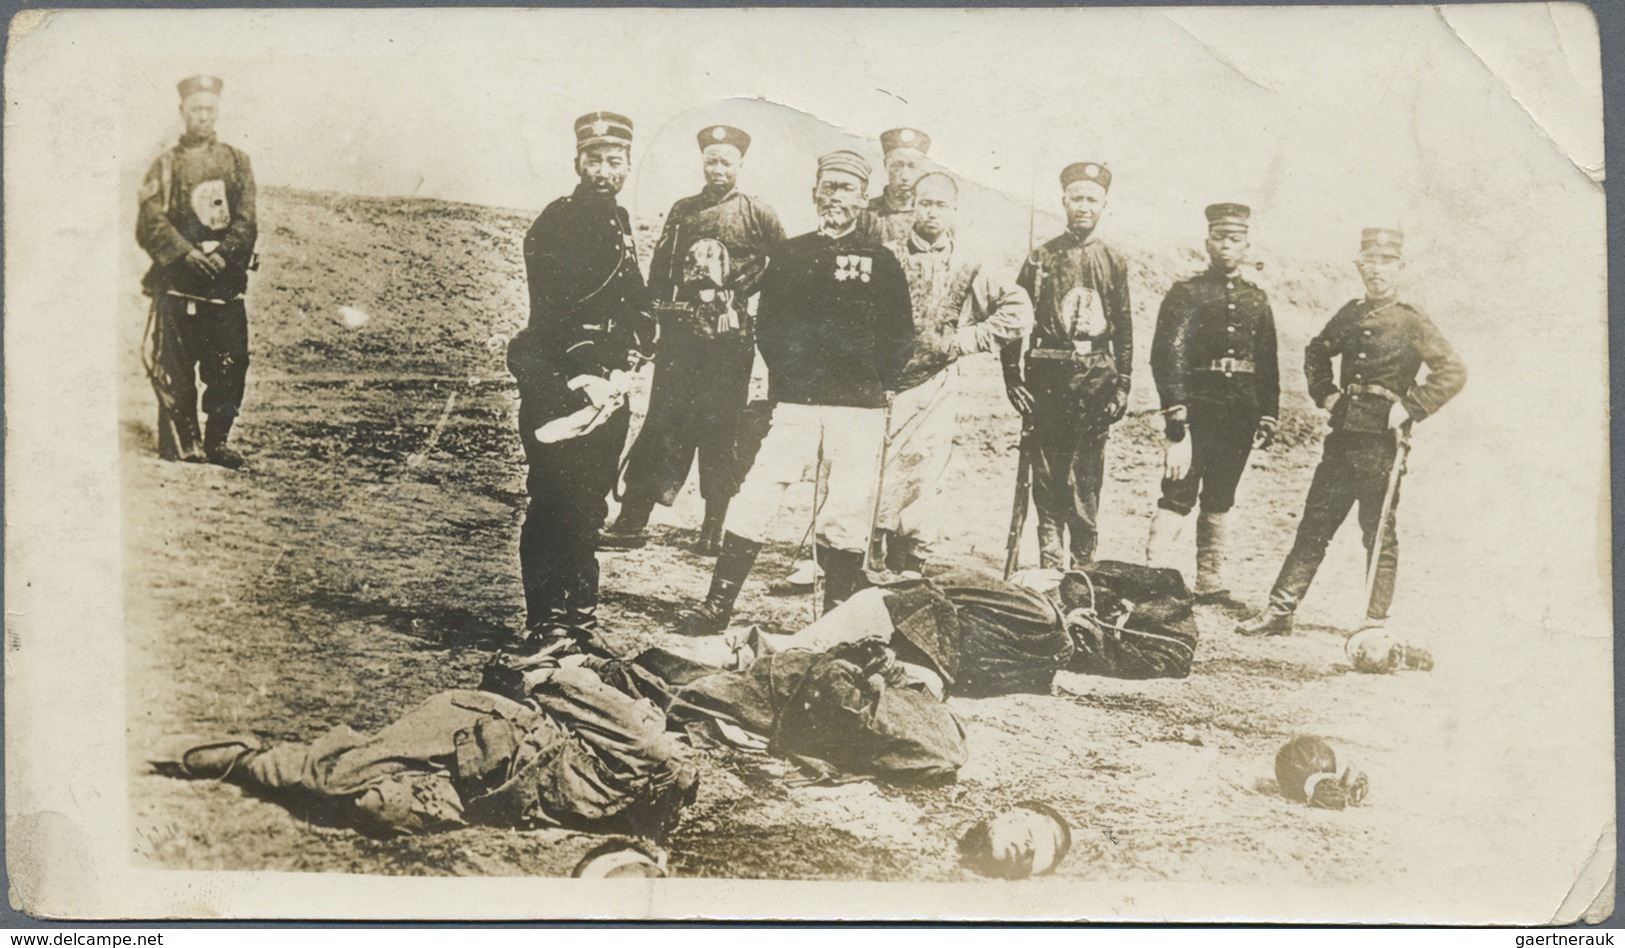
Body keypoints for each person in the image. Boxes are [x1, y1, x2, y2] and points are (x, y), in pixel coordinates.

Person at [675, 150, 914, 635]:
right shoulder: (792, 253)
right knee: (759, 492)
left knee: (848, 507)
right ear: (814, 194)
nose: (836, 198)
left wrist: (875, 380)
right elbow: (771, 326)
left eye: (846, 189)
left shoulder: (882, 261)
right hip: (798, 402)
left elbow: (900, 335)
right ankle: (717, 606)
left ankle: (834, 619)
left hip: (859, 407)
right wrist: (790, 379)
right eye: (828, 187)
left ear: (864, 198)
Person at [1236, 228, 1466, 636]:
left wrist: (1408, 407)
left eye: (1385, 262)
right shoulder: (1351, 313)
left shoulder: (1412, 320)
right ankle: (1280, 609)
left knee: (1378, 533)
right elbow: (1316, 352)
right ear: (1360, 266)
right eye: (1369, 262)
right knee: (1315, 524)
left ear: (1400, 266)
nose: (1376, 271)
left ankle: (1374, 622)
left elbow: (1452, 372)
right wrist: (1326, 395)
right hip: (1343, 436)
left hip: (1383, 443)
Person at [170, 664, 698, 841]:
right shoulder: (642, 745)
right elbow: (567, 683)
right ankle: (234, 757)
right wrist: (535, 676)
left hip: (472, 787)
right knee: (331, 779)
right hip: (473, 727)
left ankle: (386, 786)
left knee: (377, 810)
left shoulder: (621, 817)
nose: (671, 806)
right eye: (676, 791)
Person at [602, 124, 786, 554]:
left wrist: (741, 292)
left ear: (740, 164)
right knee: (662, 423)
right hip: (681, 340)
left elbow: (787, 267)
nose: (717, 169)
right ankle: (632, 521)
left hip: (729, 343)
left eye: (726, 161)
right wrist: (651, 321)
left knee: (721, 430)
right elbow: (661, 269)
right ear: (702, 163)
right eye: (711, 161)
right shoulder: (683, 209)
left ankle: (714, 529)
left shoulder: (758, 213)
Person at [506, 112, 653, 649]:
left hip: (608, 383)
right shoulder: (558, 220)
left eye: (615, 162)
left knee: (590, 501)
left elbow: (631, 295)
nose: (604, 170)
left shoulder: (618, 220)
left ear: (628, 166)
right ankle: (545, 618)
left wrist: (644, 336)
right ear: (577, 163)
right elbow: (555, 307)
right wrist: (586, 367)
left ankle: (580, 619)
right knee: (553, 497)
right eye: (594, 160)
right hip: (558, 380)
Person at [873, 171, 1032, 576]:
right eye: (924, 203)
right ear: (913, 207)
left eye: (940, 205)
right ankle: (871, 553)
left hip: (936, 385)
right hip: (883, 385)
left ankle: (913, 558)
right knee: (879, 469)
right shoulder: (886, 255)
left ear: (954, 211)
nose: (931, 212)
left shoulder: (970, 263)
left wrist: (966, 340)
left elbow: (1018, 310)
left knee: (925, 467)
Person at [1144, 203, 1280, 602]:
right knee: (1178, 491)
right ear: (1208, 242)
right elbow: (1166, 358)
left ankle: (1210, 581)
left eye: (1235, 239)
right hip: (1196, 411)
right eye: (1220, 238)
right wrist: (1176, 415)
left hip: (1239, 413)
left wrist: (1267, 414)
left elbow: (1268, 362)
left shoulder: (1257, 299)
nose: (1226, 246)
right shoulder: (1186, 293)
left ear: (1246, 244)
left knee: (1222, 495)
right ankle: (1155, 577)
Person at [1001, 161, 1133, 568]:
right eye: (1076, 198)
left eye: (1092, 199)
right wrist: (1012, 377)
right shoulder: (1041, 257)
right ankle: (1050, 551)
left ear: (1104, 204)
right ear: (1063, 201)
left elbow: (1124, 325)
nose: (1083, 206)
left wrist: (1123, 382)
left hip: (1096, 377)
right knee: (1046, 467)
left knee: (1087, 470)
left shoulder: (1113, 260)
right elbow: (1014, 317)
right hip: (1048, 375)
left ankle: (1083, 556)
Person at [136, 75, 258, 469]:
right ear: (182, 113)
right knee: (176, 366)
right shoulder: (166, 165)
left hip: (223, 286)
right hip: (178, 286)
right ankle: (183, 443)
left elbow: (246, 219)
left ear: (217, 113)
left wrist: (224, 255)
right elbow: (151, 222)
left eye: (209, 110)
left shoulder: (237, 161)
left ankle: (218, 442)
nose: (203, 117)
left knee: (229, 363)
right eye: (195, 110)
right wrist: (186, 254)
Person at [858, 127, 931, 247]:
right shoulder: (865, 213)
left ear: (923, 169)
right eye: (897, 165)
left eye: (912, 166)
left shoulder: (931, 215)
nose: (905, 176)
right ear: (886, 165)